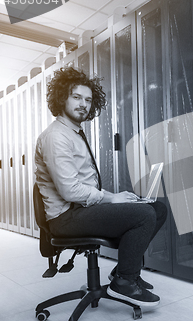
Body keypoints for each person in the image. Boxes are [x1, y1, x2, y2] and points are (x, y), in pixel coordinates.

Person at [35, 66, 167, 307]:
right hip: (66, 217)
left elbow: (85, 185)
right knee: (144, 215)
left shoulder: (74, 133)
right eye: (76, 97)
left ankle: (126, 272)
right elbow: (69, 191)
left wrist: (116, 196)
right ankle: (124, 283)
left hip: (79, 210)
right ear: (62, 97)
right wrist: (113, 200)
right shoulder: (56, 137)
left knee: (157, 209)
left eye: (88, 99)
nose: (83, 104)